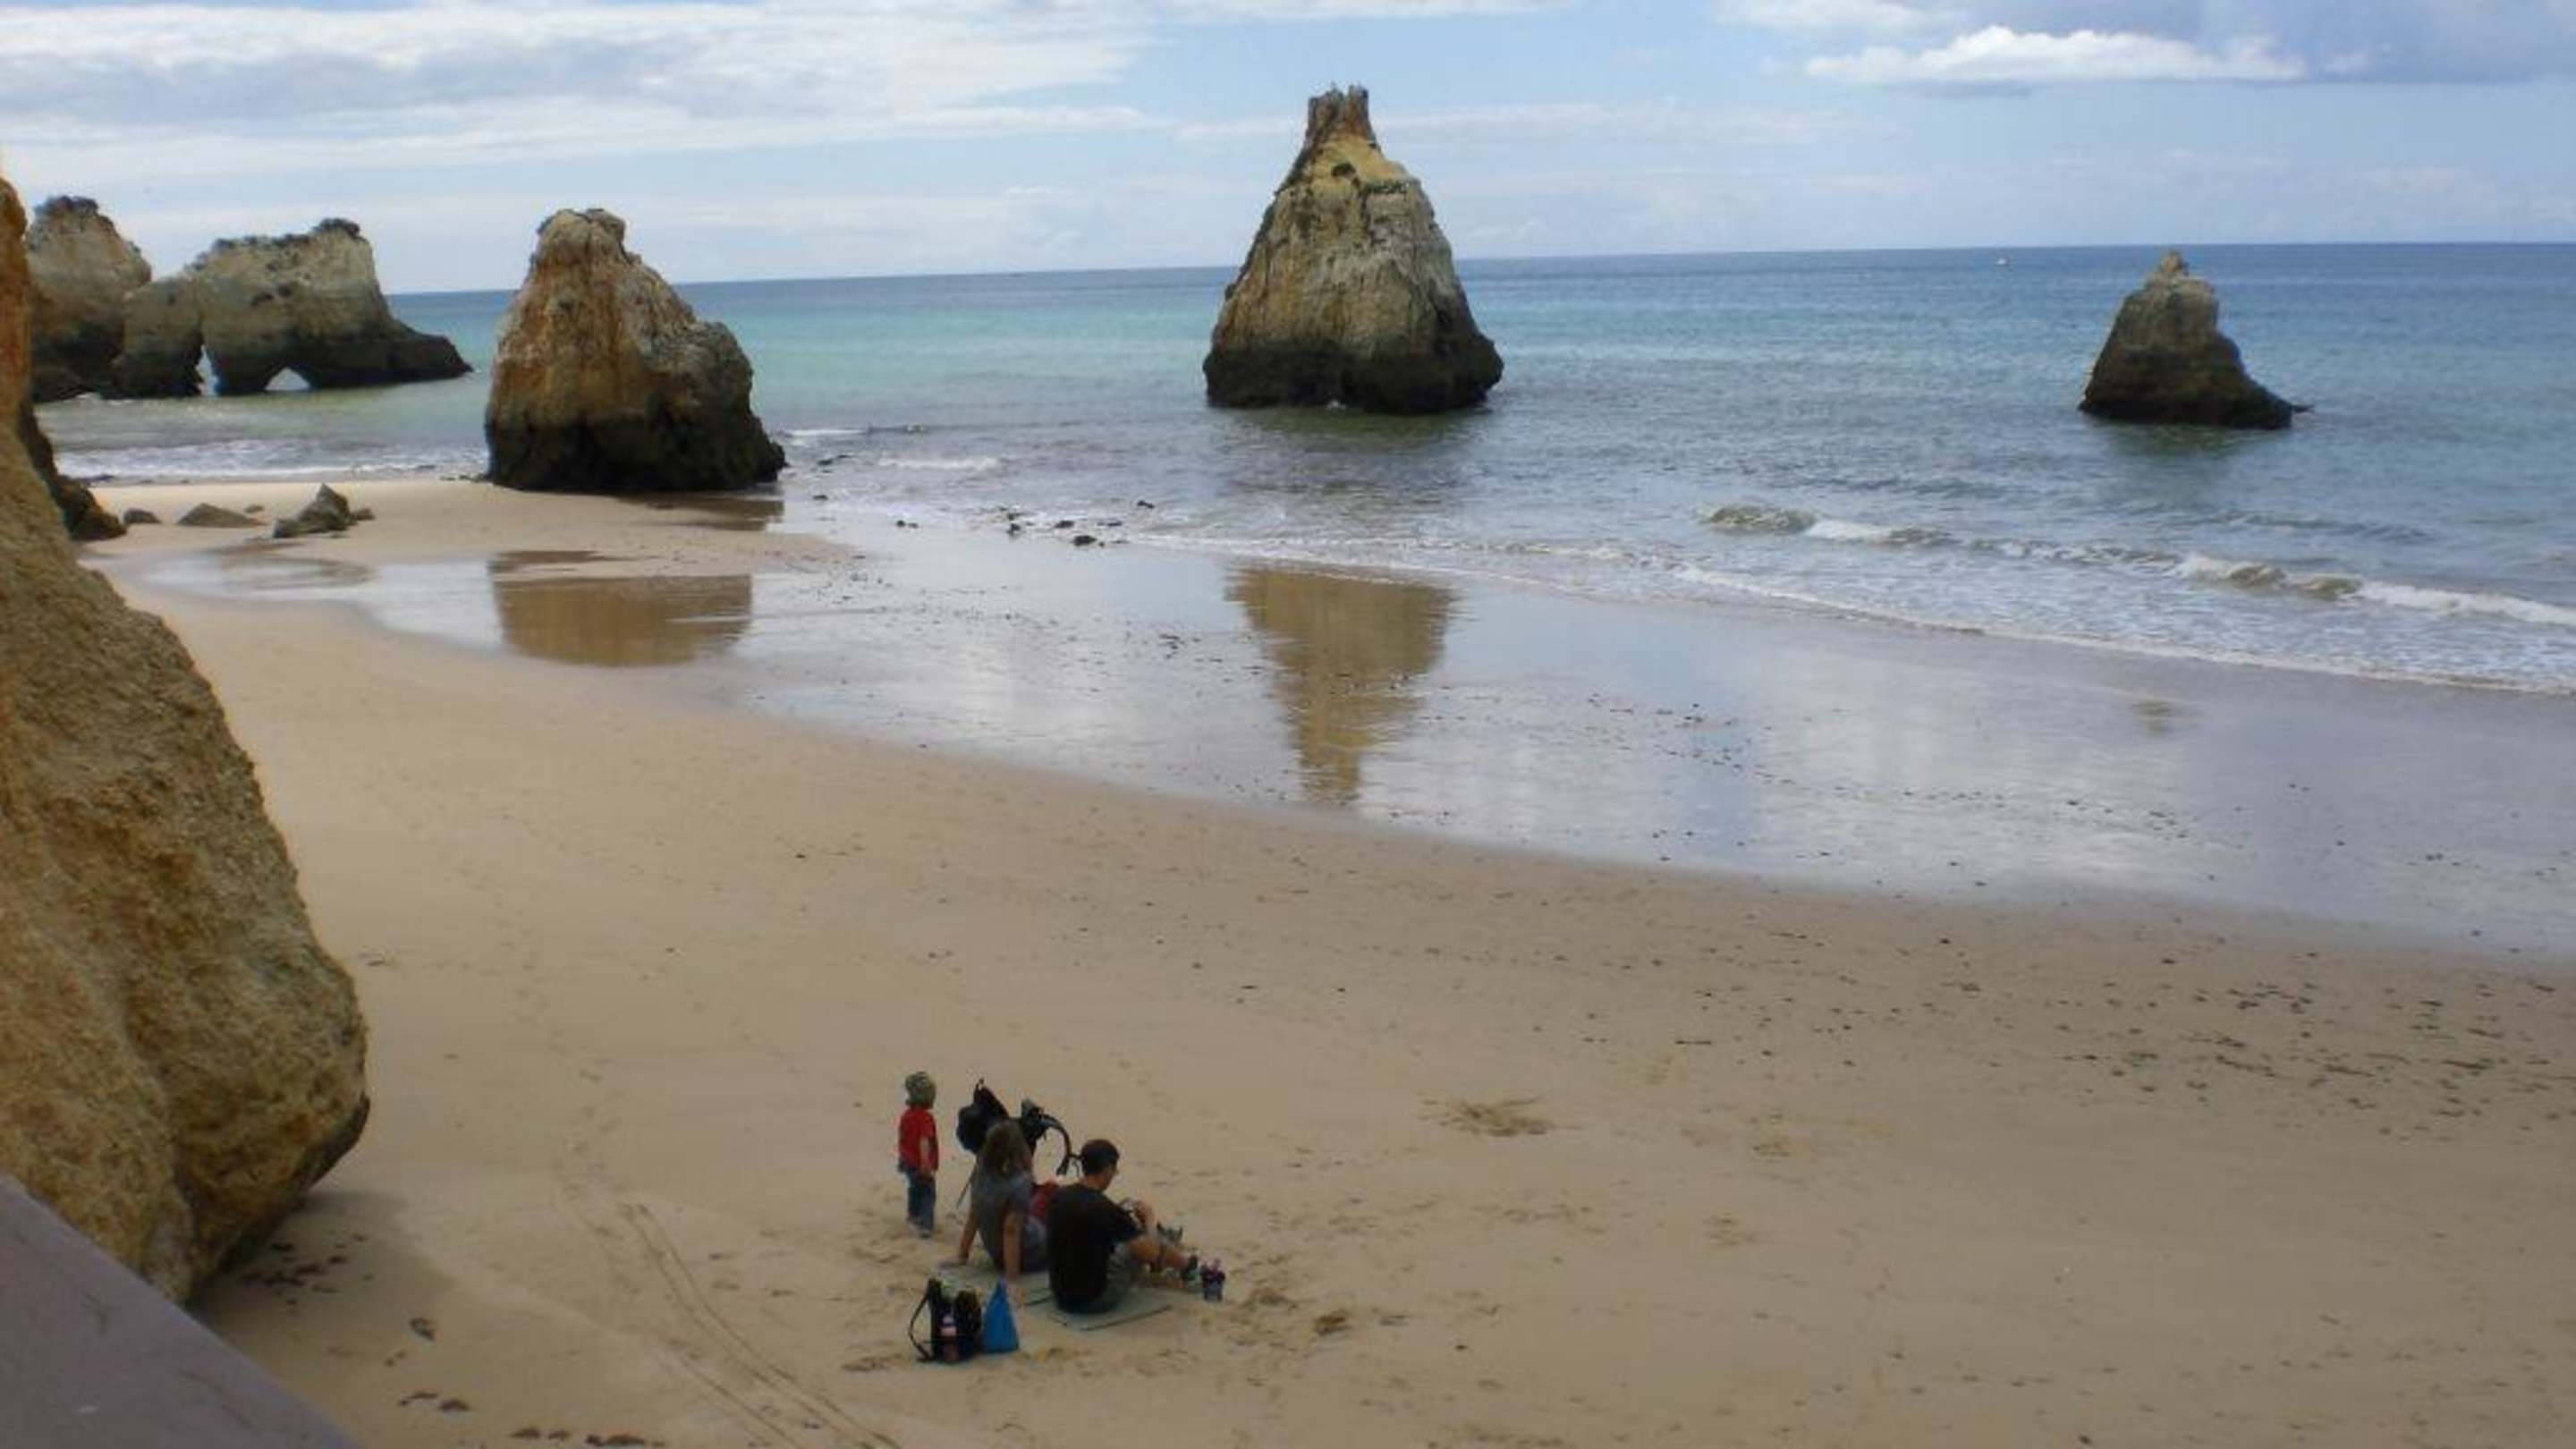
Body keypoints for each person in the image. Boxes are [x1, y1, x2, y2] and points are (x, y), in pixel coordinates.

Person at [1047, 1139, 1196, 1314]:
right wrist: (1149, 1219)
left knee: (1127, 1236)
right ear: (1108, 1169)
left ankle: (1170, 1259)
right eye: (1114, 1170)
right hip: (1094, 1300)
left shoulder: (1060, 1196)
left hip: (1061, 1295)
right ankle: (1189, 1268)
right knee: (1149, 1243)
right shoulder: (1105, 1209)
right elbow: (1152, 1253)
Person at [953, 1120, 1049, 1279]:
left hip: (997, 1253)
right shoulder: (1020, 1183)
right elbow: (1011, 1231)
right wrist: (1012, 1278)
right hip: (1030, 1253)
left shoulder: (980, 1174)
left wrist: (962, 1255)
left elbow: (973, 1217)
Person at [896, 1072, 939, 1238]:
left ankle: (913, 1215)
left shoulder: (906, 1115)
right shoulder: (925, 1118)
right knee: (928, 1192)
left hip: (908, 1161)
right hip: (920, 1163)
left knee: (914, 1188)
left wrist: (902, 1159)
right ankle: (926, 1225)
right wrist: (925, 1162)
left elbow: (902, 1138)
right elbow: (924, 1140)